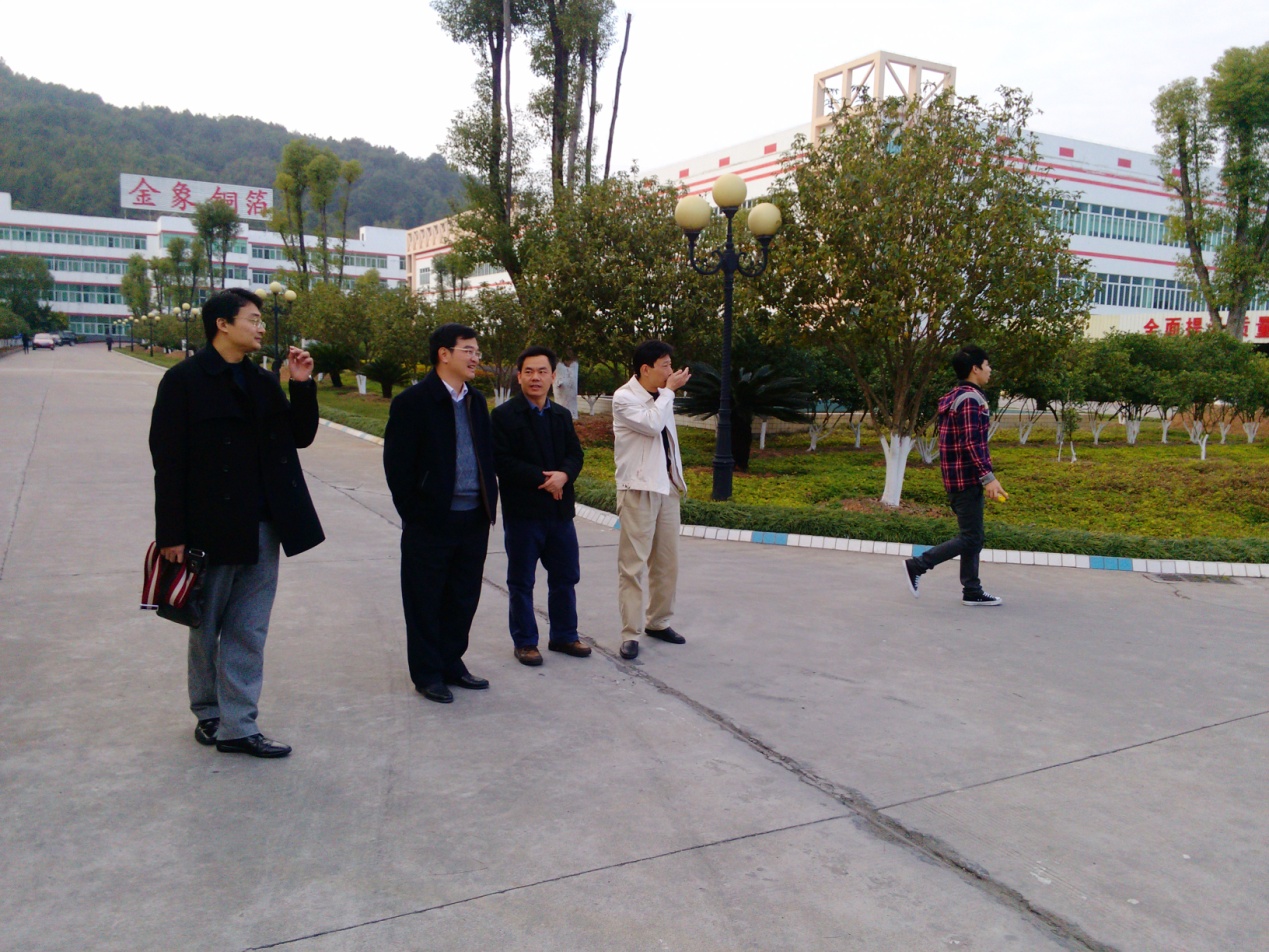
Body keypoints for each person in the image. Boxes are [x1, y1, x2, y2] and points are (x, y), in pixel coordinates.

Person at [149, 288, 325, 758]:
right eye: (252, 319)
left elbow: (300, 436)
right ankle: (208, 711)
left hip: (264, 525)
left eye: (261, 319)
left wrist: (301, 384)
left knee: (249, 629)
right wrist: (171, 534)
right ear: (222, 324)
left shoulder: (263, 381)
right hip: (210, 526)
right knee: (205, 625)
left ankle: (238, 724)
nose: (261, 327)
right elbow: (168, 462)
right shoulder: (183, 381)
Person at [383, 323, 498, 704]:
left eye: (477, 351)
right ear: (444, 354)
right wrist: (415, 513)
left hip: (473, 517)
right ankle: (427, 673)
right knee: (425, 599)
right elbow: (397, 466)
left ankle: (452, 662)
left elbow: (485, 454)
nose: (476, 358)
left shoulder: (476, 400)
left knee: (463, 597)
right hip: (431, 520)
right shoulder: (413, 402)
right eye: (469, 350)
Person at [491, 346, 588, 666]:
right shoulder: (504, 416)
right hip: (523, 514)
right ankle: (525, 642)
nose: (536, 377)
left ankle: (564, 635)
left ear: (553, 376)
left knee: (565, 577)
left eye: (542, 371)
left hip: (560, 514)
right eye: (529, 371)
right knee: (521, 581)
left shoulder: (561, 415)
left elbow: (575, 454)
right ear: (519, 376)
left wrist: (564, 475)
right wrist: (546, 480)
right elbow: (501, 461)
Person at [904, 345, 1006, 606]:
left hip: (956, 478)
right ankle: (918, 565)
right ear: (975, 368)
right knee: (972, 537)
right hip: (967, 479)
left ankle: (972, 590)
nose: (990, 369)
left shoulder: (954, 396)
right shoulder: (971, 400)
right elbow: (972, 443)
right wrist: (988, 477)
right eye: (987, 364)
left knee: (973, 535)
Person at [611, 340, 691, 660]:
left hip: (666, 488)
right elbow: (652, 425)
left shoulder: (661, 397)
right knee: (632, 566)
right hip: (638, 488)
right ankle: (630, 633)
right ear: (645, 369)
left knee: (667, 563)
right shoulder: (624, 398)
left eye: (671, 364)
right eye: (665, 365)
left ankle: (658, 622)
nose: (671, 371)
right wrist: (669, 392)